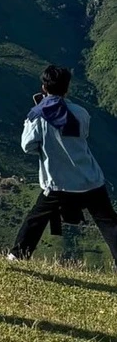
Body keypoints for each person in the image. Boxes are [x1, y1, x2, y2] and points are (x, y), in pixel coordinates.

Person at [8, 65, 117, 267]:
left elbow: (27, 145)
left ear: (43, 87)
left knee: (36, 219)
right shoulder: (81, 112)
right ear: (67, 88)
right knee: (109, 222)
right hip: (89, 177)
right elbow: (81, 136)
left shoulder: (37, 115)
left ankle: (18, 256)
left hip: (58, 182)